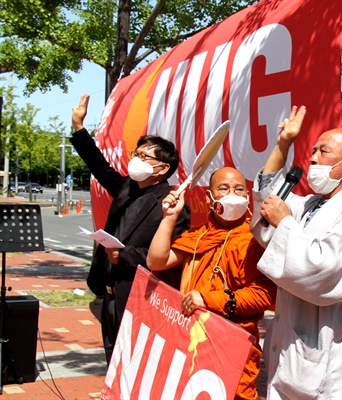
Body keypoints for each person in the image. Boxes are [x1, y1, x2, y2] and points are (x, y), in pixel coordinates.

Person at [250, 106, 342, 399]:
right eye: (313, 150)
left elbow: (320, 273)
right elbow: (269, 197)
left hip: (323, 365)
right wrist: (284, 143)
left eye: (324, 151)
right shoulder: (309, 204)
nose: (313, 158)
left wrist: (283, 222)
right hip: (287, 353)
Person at [71, 94, 191, 365]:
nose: (135, 159)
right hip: (110, 293)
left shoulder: (173, 205)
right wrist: (79, 128)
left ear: (162, 168)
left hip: (140, 297)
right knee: (112, 359)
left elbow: (171, 256)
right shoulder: (126, 187)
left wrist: (126, 255)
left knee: (135, 363)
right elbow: (99, 166)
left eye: (144, 156)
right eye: (136, 153)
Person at [147, 166, 277, 400]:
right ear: (209, 198)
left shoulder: (254, 240)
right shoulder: (198, 237)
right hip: (190, 340)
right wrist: (169, 217)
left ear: (248, 198)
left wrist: (208, 300)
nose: (232, 195)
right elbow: (156, 260)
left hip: (232, 344)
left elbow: (265, 294)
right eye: (223, 189)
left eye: (239, 190)